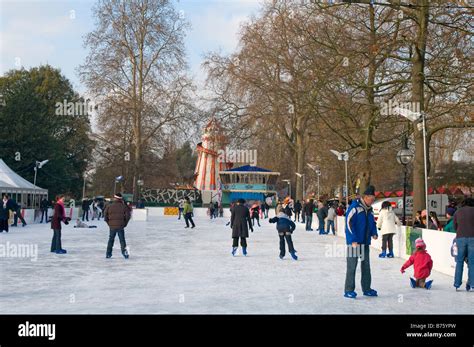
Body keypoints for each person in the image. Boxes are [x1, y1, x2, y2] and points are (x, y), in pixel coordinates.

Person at [344, 185, 379, 299]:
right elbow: (348, 224)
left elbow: (372, 223)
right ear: (365, 197)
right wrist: (353, 240)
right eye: (371, 199)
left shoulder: (370, 210)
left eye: (374, 200)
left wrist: (374, 233)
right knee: (352, 267)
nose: (372, 202)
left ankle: (367, 289)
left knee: (366, 267)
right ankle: (348, 290)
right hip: (354, 244)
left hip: (365, 243)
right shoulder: (354, 207)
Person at [453, 197, 474, 291]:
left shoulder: (457, 212)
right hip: (473, 238)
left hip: (460, 238)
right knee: (472, 262)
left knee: (459, 262)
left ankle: (457, 284)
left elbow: (455, 226)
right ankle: (473, 284)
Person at [104, 193, 131, 259]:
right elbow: (128, 216)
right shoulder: (124, 206)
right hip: (120, 226)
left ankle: (108, 253)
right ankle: (124, 253)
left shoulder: (109, 206)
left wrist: (109, 223)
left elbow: (105, 216)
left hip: (112, 226)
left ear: (115, 198)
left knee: (111, 240)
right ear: (120, 199)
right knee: (122, 240)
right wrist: (124, 224)